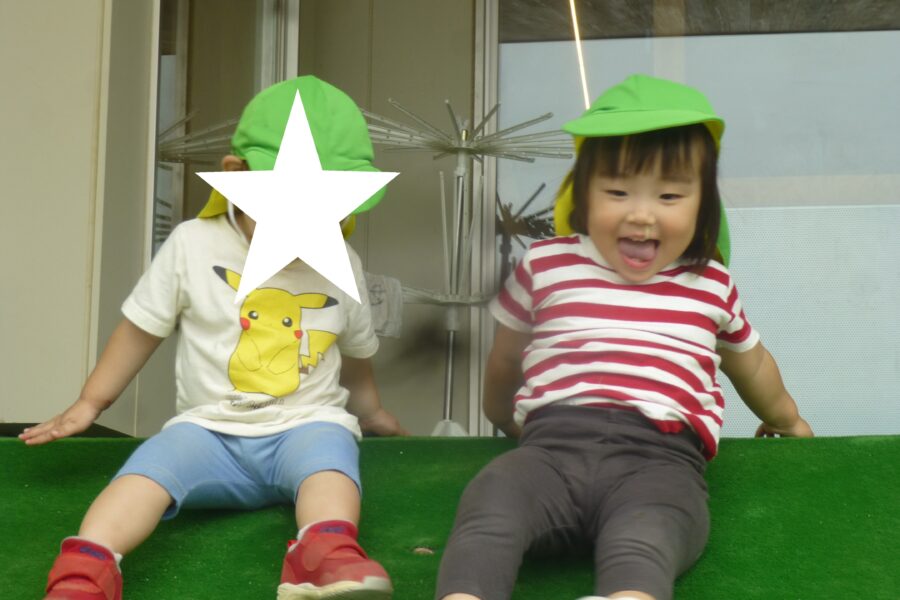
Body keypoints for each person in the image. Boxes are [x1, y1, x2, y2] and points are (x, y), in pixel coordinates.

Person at [21, 75, 405, 600]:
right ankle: (86, 567)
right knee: (145, 472)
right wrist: (90, 403)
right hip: (207, 434)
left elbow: (355, 357)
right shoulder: (192, 244)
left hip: (304, 429)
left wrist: (373, 413)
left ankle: (323, 550)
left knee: (332, 459)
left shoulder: (344, 265)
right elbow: (141, 330)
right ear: (236, 177)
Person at [434, 74, 813, 600]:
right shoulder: (546, 264)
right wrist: (502, 416)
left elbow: (751, 363)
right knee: (492, 502)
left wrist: (786, 419)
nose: (641, 213)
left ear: (703, 206)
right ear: (582, 195)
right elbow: (506, 357)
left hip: (660, 461)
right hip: (550, 449)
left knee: (651, 533)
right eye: (616, 191)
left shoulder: (710, 282)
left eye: (670, 194)